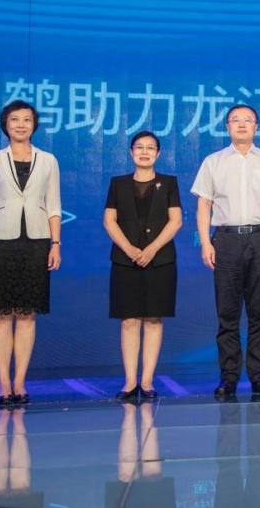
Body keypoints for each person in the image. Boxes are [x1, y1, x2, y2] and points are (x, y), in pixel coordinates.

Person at [192, 104, 260, 399]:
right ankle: (229, 377)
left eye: (248, 120)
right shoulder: (213, 162)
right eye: (236, 120)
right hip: (226, 240)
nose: (242, 124)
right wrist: (206, 243)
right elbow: (204, 205)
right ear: (227, 127)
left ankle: (259, 377)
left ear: (256, 126)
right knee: (228, 313)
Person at [0, 100, 61, 406]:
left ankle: (20, 382)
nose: (21, 124)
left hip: (36, 242)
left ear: (34, 125)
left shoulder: (48, 160)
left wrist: (55, 244)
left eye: (26, 119)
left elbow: (54, 206)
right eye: (15, 119)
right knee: (1, 315)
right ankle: (3, 383)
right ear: (5, 125)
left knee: (27, 315)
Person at [103, 131, 183, 402]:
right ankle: (129, 382)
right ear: (131, 152)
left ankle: (147, 381)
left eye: (150, 148)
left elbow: (175, 221)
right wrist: (129, 249)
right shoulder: (118, 184)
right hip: (125, 260)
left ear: (158, 154)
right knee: (129, 320)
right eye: (139, 147)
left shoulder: (169, 183)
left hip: (160, 260)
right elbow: (109, 220)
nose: (144, 152)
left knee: (153, 318)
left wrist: (151, 249)